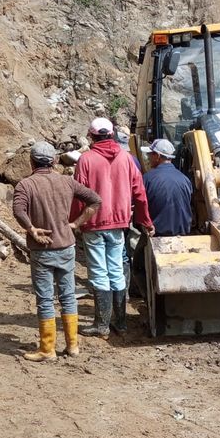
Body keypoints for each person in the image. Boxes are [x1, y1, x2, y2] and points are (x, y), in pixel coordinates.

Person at [13, 142, 101, 362]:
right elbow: (95, 200)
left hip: (42, 250)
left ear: (32, 162)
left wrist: (31, 229)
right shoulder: (67, 181)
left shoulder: (26, 185)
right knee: (68, 296)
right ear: (53, 161)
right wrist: (76, 224)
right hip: (67, 247)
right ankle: (73, 346)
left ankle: (47, 349)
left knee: (45, 299)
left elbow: (18, 210)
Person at [74, 117, 154, 337]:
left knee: (99, 272)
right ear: (111, 135)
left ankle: (101, 324)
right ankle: (120, 323)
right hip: (119, 223)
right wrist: (145, 220)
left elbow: (78, 194)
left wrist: (76, 221)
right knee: (117, 270)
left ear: (92, 136)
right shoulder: (126, 158)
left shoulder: (86, 160)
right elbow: (140, 193)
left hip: (94, 224)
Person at [141, 138, 193, 236]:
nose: (148, 157)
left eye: (150, 154)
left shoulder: (147, 179)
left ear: (158, 156)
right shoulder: (185, 180)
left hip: (157, 234)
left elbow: (141, 207)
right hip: (183, 234)